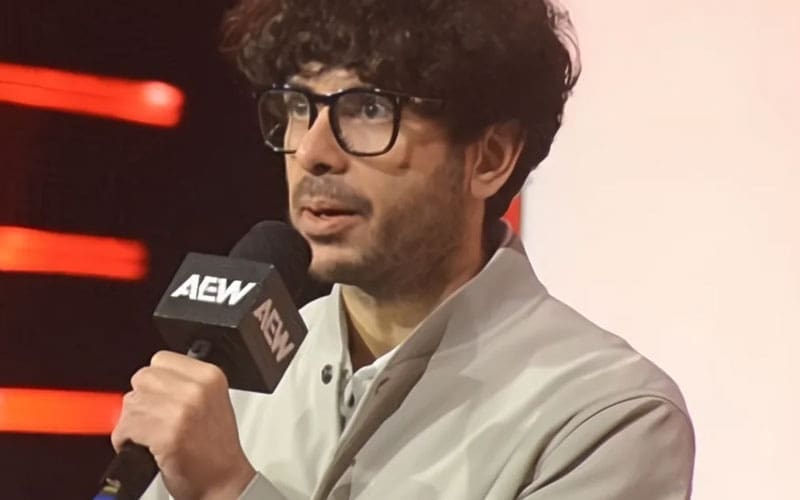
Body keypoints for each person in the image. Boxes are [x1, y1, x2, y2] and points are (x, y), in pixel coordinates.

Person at [113, 0, 695, 498]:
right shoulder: (233, 369)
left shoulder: (606, 414)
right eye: (298, 107)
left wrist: (229, 488)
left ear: (491, 158)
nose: (312, 152)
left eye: (368, 109)